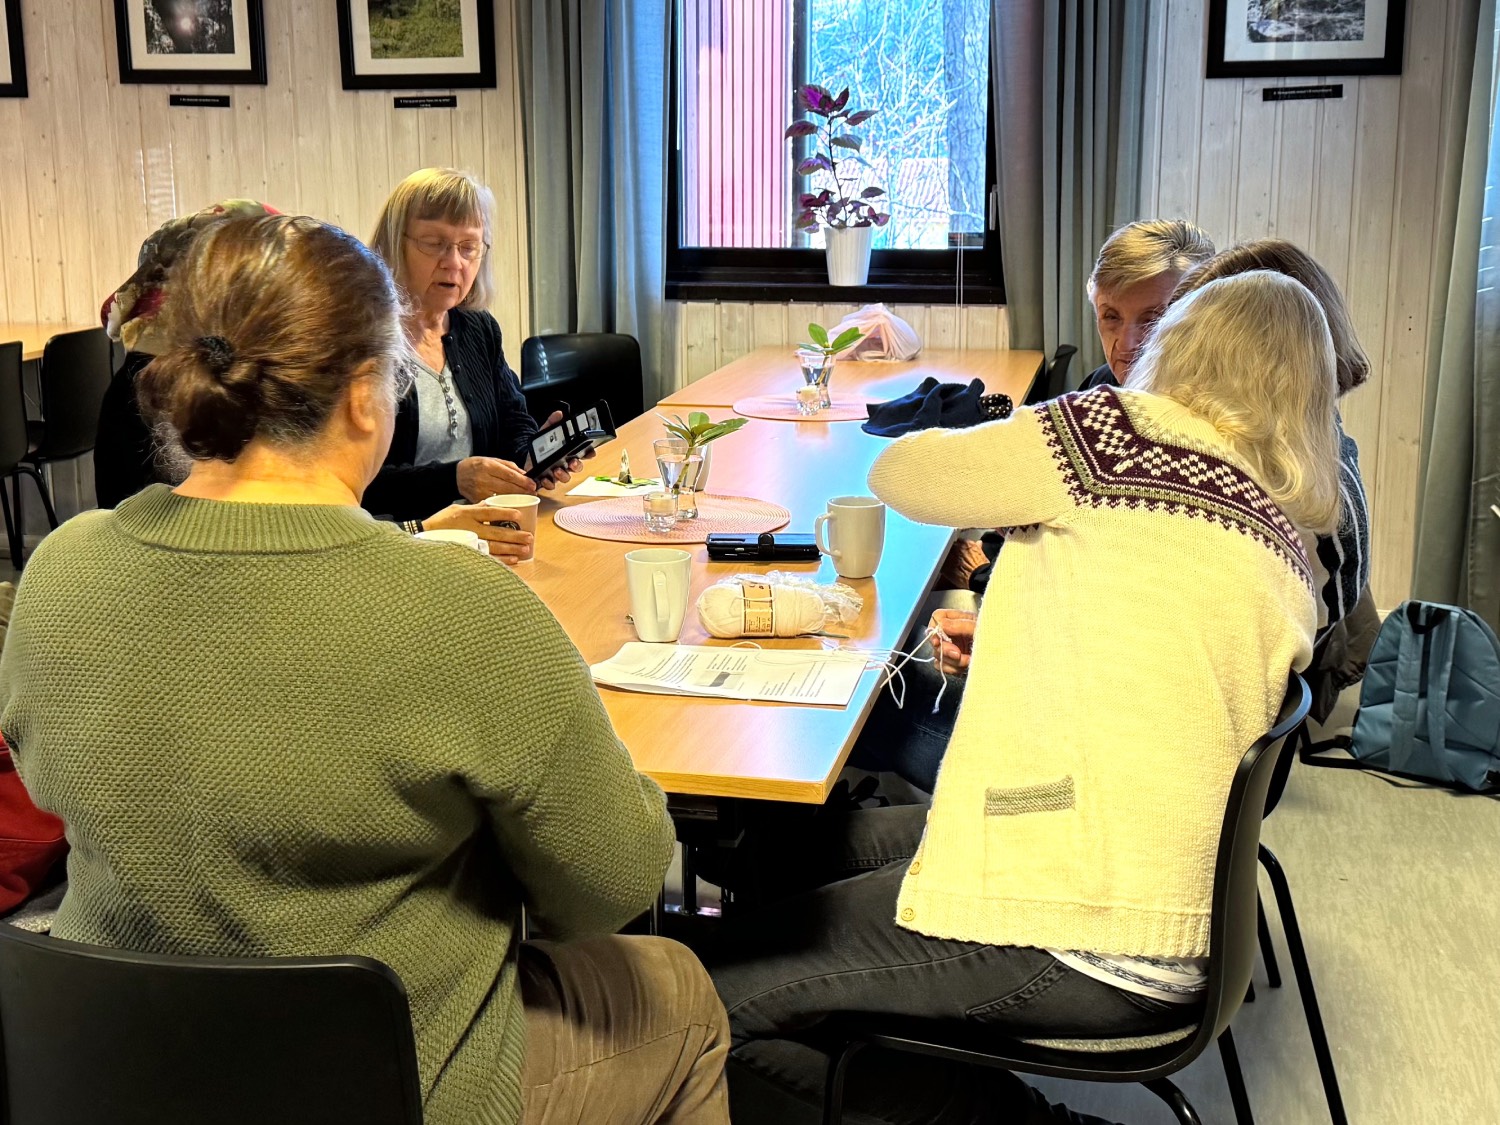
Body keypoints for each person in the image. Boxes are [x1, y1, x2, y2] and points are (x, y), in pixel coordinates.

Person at [2, 214, 729, 1124]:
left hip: (119, 1072)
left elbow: (55, 776)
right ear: (361, 395)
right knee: (675, 984)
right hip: (396, 1083)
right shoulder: (465, 609)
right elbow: (612, 883)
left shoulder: (60, 570)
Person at [704, 271, 1339, 1124]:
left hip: (1081, 918)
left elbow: (902, 474)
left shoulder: (1111, 434)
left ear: (1180, 344)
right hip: (1171, 912)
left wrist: (997, 429)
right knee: (792, 856)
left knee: (700, 1008)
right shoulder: (1278, 535)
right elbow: (1158, 650)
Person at [856, 219, 1216, 792]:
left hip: (1095, 761)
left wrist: (987, 592)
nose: (1127, 345)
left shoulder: (1157, 433)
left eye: (1153, 318)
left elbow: (895, 472)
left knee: (859, 701)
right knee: (878, 661)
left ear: (1202, 316)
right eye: (1111, 317)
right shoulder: (1111, 392)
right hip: (1079, 688)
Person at [94, 199, 534, 561]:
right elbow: (281, 545)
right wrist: (417, 531)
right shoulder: (278, 376)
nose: (452, 262)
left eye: (469, 247)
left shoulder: (67, 556)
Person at [364, 167, 583, 528]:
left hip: (480, 532)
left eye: (469, 247)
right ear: (394, 243)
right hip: (396, 542)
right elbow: (351, 483)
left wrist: (535, 456)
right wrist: (454, 479)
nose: (454, 262)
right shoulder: (362, 340)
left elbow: (513, 426)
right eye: (434, 243)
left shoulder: (478, 329)